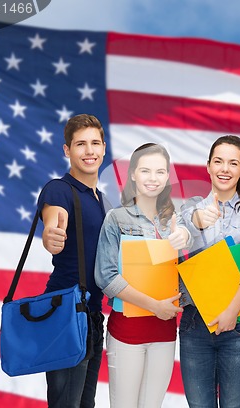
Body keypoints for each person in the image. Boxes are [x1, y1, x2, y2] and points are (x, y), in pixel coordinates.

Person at [94, 143, 191, 408]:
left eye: (160, 171)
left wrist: (186, 236)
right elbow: (106, 277)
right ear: (133, 174)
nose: (153, 178)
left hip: (164, 332)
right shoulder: (116, 218)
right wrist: (154, 306)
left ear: (167, 177)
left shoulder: (175, 220)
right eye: (146, 170)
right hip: (127, 332)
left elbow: (186, 272)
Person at [179, 135, 240, 408]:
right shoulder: (190, 208)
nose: (225, 169)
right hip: (195, 325)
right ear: (208, 166)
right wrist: (197, 221)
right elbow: (179, 238)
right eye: (218, 161)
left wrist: (232, 312)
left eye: (233, 163)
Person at [37, 114, 107, 408]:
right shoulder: (59, 189)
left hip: (92, 314)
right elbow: (54, 222)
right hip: (65, 313)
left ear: (104, 148)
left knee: (85, 404)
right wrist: (51, 236)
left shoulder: (103, 200)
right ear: (67, 150)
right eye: (80, 144)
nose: (89, 151)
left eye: (94, 143)